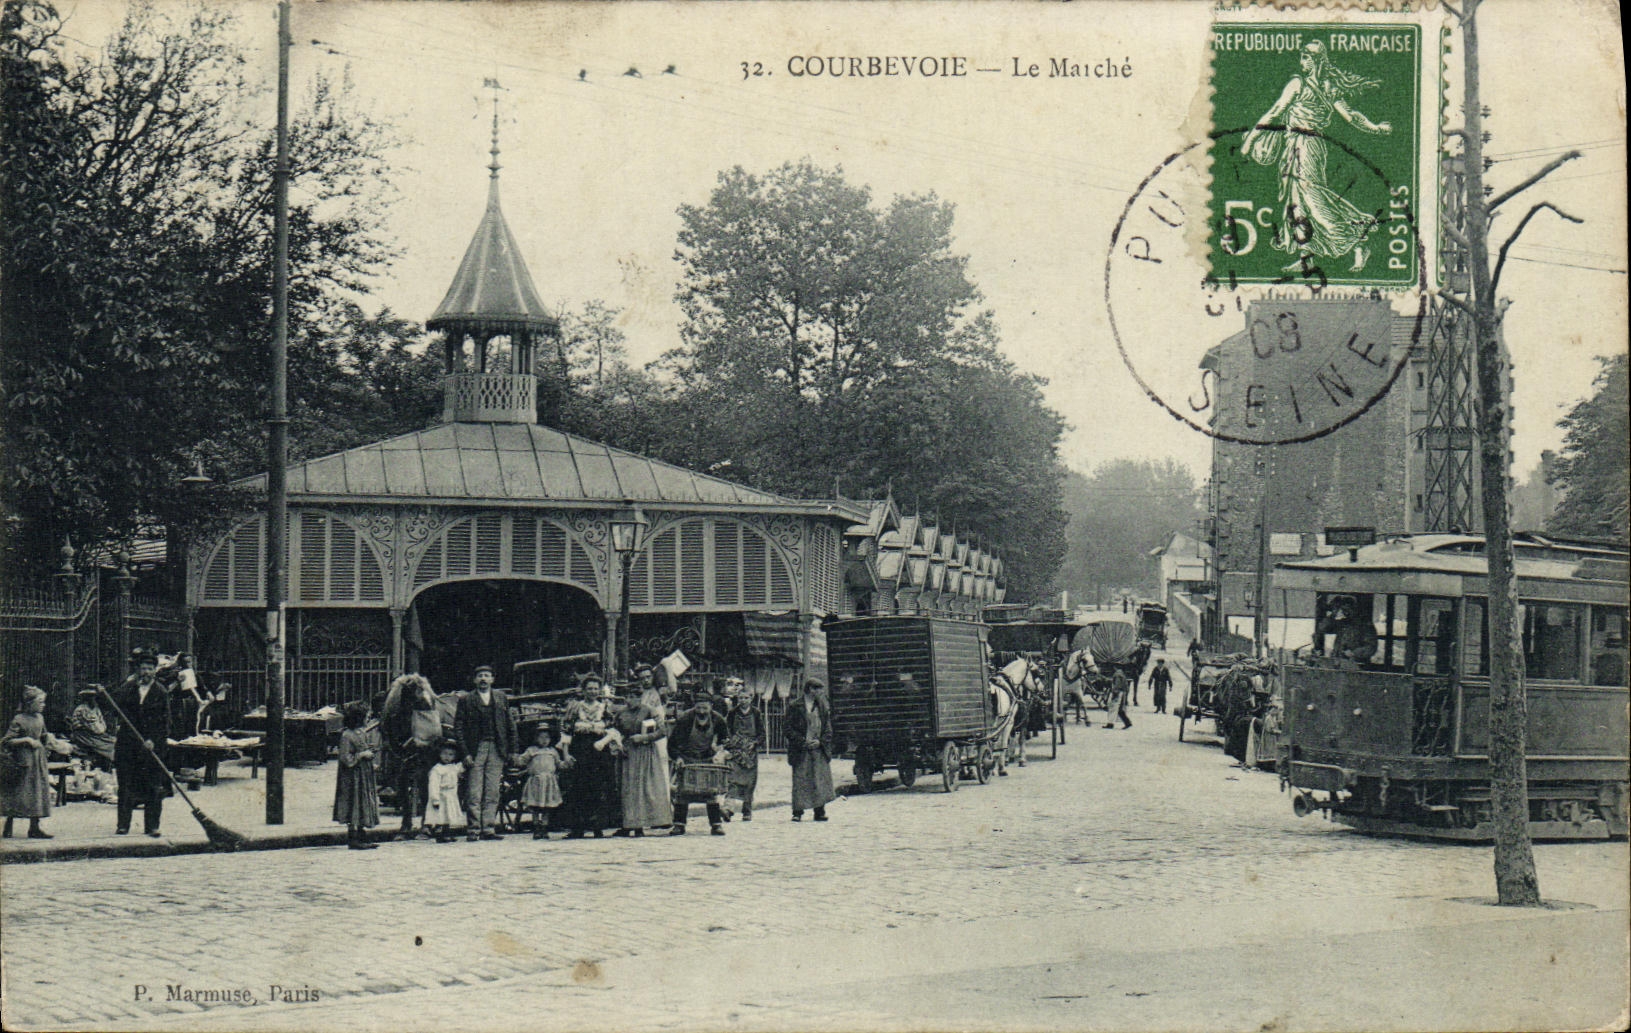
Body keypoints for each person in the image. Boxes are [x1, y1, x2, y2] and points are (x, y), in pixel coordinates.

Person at [1239, 40, 1393, 274]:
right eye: (1302, 57)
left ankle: (1359, 240)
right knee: (1296, 203)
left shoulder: (1311, 86)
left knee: (1313, 199)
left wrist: (1250, 139)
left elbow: (1349, 116)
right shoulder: (1309, 84)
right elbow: (1278, 110)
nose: (1302, 62)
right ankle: (1306, 257)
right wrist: (1375, 128)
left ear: (1317, 60)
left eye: (1306, 57)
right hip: (1294, 146)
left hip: (1308, 148)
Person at [111, 651, 172, 837]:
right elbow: (115, 705)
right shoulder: (129, 688)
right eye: (142, 668)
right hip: (128, 745)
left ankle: (152, 826)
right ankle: (123, 825)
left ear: (155, 671)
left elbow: (166, 721)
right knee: (126, 785)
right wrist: (124, 686)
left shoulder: (161, 692)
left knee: (153, 786)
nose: (145, 672)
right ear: (137, 670)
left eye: (149, 669)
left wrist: (153, 739)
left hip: (151, 747)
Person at [454, 665, 515, 842]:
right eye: (480, 676)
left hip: (497, 748)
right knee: (474, 790)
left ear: (492, 680)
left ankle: (488, 828)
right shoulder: (466, 700)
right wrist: (465, 753)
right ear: (474, 680)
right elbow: (459, 727)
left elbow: (510, 725)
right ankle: (473, 829)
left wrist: (512, 750)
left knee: (492, 790)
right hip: (476, 749)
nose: (483, 679)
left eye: (487, 676)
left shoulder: (501, 698)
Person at [558, 674, 619, 838]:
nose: (593, 692)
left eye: (595, 688)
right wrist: (565, 754)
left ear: (599, 690)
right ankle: (577, 828)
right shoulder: (575, 707)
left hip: (599, 750)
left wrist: (604, 742)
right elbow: (566, 731)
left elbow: (612, 729)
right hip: (580, 749)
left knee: (598, 786)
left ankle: (597, 827)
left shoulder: (605, 707)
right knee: (579, 786)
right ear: (583, 690)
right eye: (589, 688)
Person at [3, 686, 68, 839]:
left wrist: (55, 744)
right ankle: (8, 825)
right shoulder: (18, 720)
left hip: (38, 760)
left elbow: (44, 736)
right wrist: (26, 740)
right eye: (40, 702)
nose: (43, 705)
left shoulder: (40, 718)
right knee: (19, 793)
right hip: (24, 760)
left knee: (37, 792)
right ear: (29, 703)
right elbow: (7, 741)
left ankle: (34, 827)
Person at [668, 693, 726, 835]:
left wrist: (720, 752)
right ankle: (679, 824)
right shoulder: (685, 719)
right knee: (683, 792)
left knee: (711, 792)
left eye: (705, 708)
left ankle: (716, 824)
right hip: (687, 758)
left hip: (708, 759)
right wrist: (678, 758)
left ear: (711, 706)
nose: (701, 712)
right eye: (699, 708)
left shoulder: (718, 719)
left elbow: (725, 740)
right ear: (694, 706)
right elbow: (672, 743)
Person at [614, 687, 670, 837]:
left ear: (641, 698)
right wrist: (618, 745)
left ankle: (641, 825)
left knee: (644, 787)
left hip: (645, 753)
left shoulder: (649, 711)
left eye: (635, 696)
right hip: (627, 753)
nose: (630, 700)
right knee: (628, 788)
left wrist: (644, 738)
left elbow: (662, 731)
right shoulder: (621, 713)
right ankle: (627, 824)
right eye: (628, 696)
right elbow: (614, 731)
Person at [785, 679, 835, 822]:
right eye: (817, 689)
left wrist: (820, 742)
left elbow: (827, 728)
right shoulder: (795, 706)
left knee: (818, 780)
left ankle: (819, 811)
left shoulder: (822, 706)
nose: (820, 692)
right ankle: (797, 812)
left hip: (818, 749)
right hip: (801, 749)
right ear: (810, 689)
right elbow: (787, 728)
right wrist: (801, 741)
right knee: (800, 780)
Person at [333, 701, 380, 850]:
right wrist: (361, 755)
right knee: (354, 802)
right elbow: (346, 758)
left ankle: (362, 834)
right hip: (352, 778)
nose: (369, 717)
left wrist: (371, 753)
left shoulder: (362, 732)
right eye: (366, 715)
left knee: (363, 802)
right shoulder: (347, 735)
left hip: (363, 776)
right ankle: (353, 837)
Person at [516, 725, 569, 840]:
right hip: (536, 781)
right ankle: (536, 828)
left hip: (549, 782)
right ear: (536, 738)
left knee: (547, 807)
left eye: (547, 737)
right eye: (541, 737)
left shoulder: (553, 751)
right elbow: (521, 761)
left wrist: (566, 763)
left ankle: (544, 828)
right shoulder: (531, 750)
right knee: (535, 806)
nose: (544, 740)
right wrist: (515, 758)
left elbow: (559, 764)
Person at [721, 680, 762, 821]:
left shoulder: (756, 713)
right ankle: (728, 809)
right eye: (741, 698)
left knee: (750, 782)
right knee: (732, 779)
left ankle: (747, 810)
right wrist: (732, 743)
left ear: (751, 698)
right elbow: (728, 731)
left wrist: (755, 743)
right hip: (736, 751)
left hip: (750, 752)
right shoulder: (733, 713)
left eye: (746, 698)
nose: (743, 701)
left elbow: (761, 733)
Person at [424, 742, 466, 843]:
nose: (447, 757)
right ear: (440, 754)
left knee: (448, 815)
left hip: (450, 795)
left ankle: (447, 833)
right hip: (441, 795)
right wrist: (435, 799)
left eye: (451, 755)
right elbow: (433, 785)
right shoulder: (437, 769)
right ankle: (439, 834)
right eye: (445, 754)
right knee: (440, 816)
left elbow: (461, 768)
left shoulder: (453, 767)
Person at [69, 686, 117, 770]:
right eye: (90, 696)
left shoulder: (95, 708)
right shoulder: (83, 709)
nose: (93, 699)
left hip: (94, 735)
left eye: (94, 696)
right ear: (85, 698)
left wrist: (102, 728)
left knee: (115, 741)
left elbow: (102, 726)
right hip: (84, 736)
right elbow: (97, 729)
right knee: (112, 745)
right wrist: (101, 728)